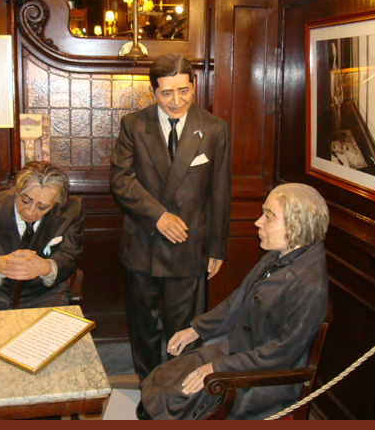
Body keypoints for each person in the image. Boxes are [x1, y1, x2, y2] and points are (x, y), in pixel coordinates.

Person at [139, 183, 330, 420]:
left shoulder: (310, 284)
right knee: (165, 376)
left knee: (178, 398)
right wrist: (195, 330)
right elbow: (239, 299)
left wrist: (218, 368)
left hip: (261, 379)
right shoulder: (278, 255)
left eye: (268, 217)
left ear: (296, 226)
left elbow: (281, 354)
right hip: (238, 351)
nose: (258, 222)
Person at [110, 53, 231, 382]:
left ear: (193, 86)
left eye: (183, 91)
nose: (176, 101)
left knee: (184, 330)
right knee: (143, 328)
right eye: (166, 93)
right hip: (142, 244)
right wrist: (159, 216)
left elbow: (220, 191)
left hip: (189, 248)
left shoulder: (214, 128)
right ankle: (149, 391)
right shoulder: (133, 125)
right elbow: (121, 181)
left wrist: (218, 248)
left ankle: (178, 395)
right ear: (153, 92)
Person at [0, 161, 85, 311]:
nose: (30, 212)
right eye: (25, 201)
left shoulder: (72, 210)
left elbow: (70, 257)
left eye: (42, 207)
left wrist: (47, 267)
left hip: (46, 294)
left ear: (55, 203)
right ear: (17, 190)